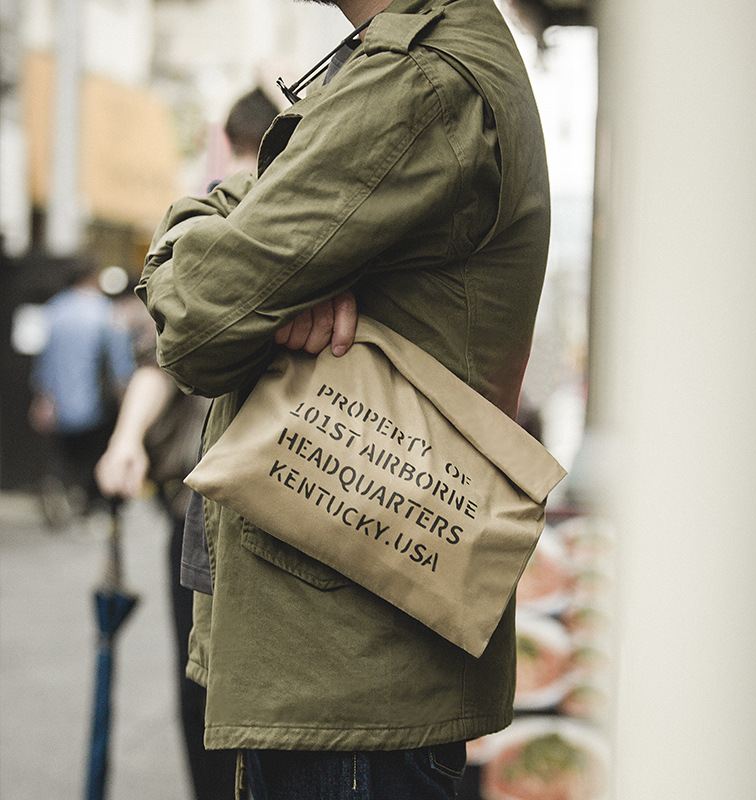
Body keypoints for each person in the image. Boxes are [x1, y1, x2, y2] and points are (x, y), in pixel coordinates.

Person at [136, 0, 551, 796]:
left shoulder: (418, 82)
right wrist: (243, 250)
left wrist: (201, 236)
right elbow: (227, 271)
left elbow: (197, 320)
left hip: (344, 678)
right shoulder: (413, 64)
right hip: (347, 667)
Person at [94, 87, 279, 800]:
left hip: (204, 502)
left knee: (204, 683)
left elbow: (159, 358)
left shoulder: (214, 220)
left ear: (227, 146)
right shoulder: (301, 215)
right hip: (287, 494)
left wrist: (126, 440)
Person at [29, 261, 134, 521]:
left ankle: (65, 490)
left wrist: (42, 398)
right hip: (98, 403)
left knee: (65, 454)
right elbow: (121, 363)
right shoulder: (105, 311)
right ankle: (89, 503)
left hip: (60, 402)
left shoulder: (54, 310)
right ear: (91, 278)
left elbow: (43, 361)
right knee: (94, 454)